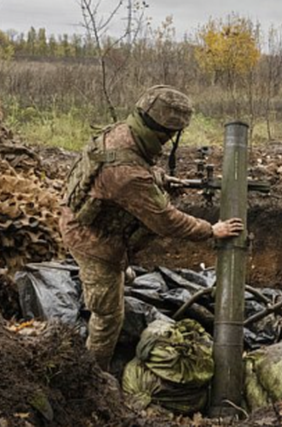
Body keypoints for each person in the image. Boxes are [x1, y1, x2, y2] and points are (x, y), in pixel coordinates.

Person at [59, 85, 244, 371]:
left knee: (122, 277)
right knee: (108, 319)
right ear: (164, 133)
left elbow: (136, 170)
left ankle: (111, 280)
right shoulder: (128, 176)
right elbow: (166, 220)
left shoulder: (124, 133)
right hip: (92, 242)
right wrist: (211, 230)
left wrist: (159, 178)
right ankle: (92, 379)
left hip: (94, 225)